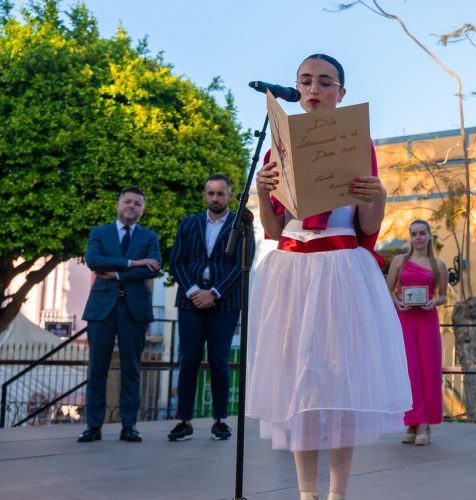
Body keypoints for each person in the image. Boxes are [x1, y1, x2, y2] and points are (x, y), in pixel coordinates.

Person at [248, 53, 413, 500]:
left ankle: (337, 492)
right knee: (299, 377)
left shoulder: (359, 143)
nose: (314, 88)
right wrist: (264, 193)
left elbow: (366, 225)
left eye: (325, 82)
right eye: (306, 81)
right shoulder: (275, 147)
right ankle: (306, 492)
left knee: (337, 379)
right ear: (296, 90)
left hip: (340, 265)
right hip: (293, 266)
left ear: (342, 92)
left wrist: (378, 196)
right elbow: (275, 228)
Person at [167, 174, 248, 442]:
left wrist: (214, 293)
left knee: (219, 362)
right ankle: (184, 421)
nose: (215, 198)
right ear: (204, 195)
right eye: (211, 193)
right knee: (188, 360)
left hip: (224, 304)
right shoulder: (188, 224)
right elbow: (176, 261)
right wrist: (193, 291)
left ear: (229, 195)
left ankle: (220, 421)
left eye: (220, 194)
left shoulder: (242, 226)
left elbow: (241, 265)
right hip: (190, 302)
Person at [79, 187, 161, 444]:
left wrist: (117, 273)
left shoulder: (149, 237)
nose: (132, 206)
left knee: (132, 370)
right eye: (127, 201)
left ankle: (129, 425)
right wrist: (133, 263)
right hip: (102, 309)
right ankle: (93, 426)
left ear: (142, 210)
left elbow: (153, 269)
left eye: (138, 204)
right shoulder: (99, 233)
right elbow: (94, 260)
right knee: (97, 369)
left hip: (133, 310)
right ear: (118, 204)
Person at [387, 220, 448, 446]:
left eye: (422, 233)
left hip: (427, 320)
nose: (418, 237)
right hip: (405, 320)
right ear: (410, 237)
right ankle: (412, 422)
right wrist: (397, 302)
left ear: (430, 236)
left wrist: (434, 302)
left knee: (428, 370)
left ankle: (422, 424)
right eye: (414, 234)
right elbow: (388, 289)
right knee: (409, 370)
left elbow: (443, 296)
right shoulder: (399, 261)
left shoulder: (438, 265)